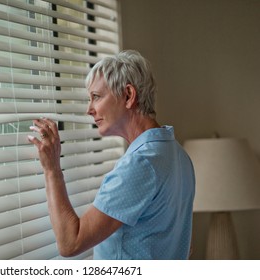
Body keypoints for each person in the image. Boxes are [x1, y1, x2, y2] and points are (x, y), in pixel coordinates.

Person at [27, 50, 195, 259]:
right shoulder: (178, 154)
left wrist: (52, 169)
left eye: (96, 97)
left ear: (128, 96)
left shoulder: (141, 164)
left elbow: (70, 242)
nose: (89, 109)